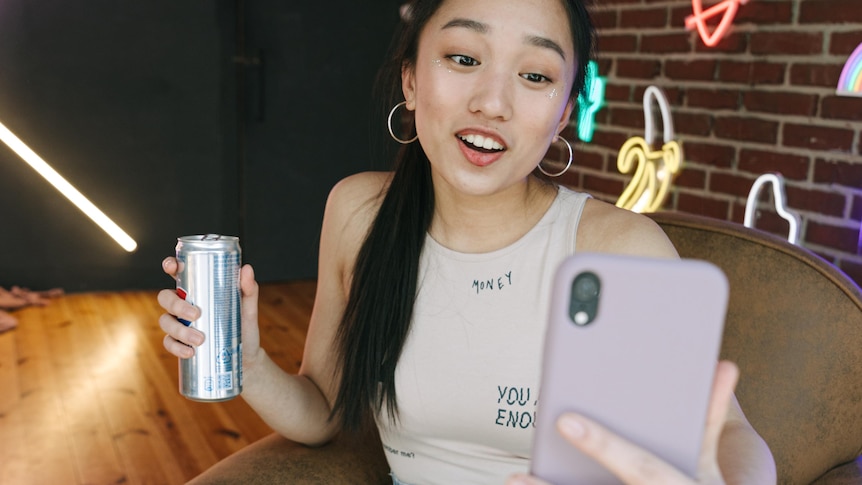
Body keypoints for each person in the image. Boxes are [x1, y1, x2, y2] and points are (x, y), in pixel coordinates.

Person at [158, 0, 777, 483]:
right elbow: (323, 410)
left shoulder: (616, 249)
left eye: (535, 75)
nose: (491, 102)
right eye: (462, 58)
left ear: (563, 112)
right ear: (410, 80)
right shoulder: (359, 213)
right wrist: (247, 362)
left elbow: (730, 437)